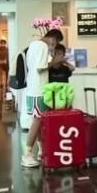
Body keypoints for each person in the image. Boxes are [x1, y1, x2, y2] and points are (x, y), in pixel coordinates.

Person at [21, 29, 64, 168]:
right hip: (38, 89)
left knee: (38, 121)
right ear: (53, 40)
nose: (54, 46)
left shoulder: (33, 44)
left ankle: (41, 150)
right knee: (37, 121)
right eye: (56, 43)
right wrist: (55, 61)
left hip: (32, 88)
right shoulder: (43, 46)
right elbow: (40, 67)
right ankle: (27, 154)